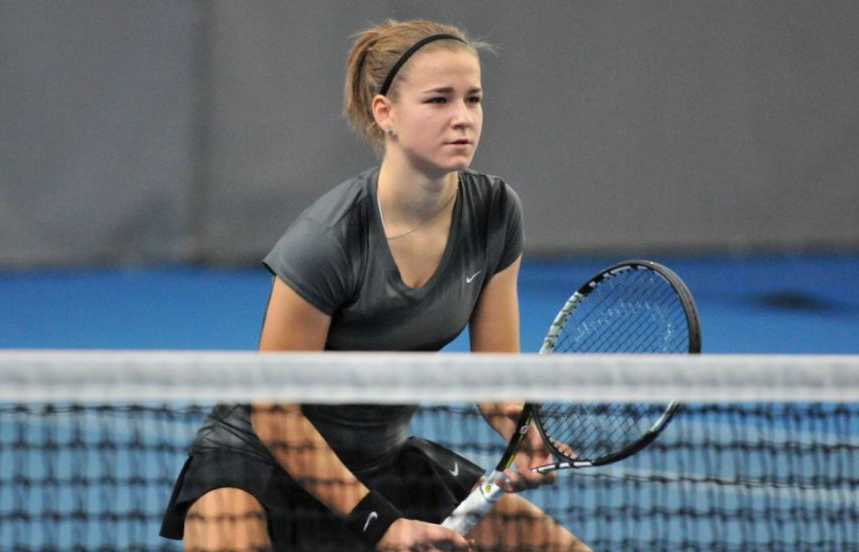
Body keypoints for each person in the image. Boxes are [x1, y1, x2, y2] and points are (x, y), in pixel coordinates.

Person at [160, 19, 592, 552]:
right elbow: (275, 412)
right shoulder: (329, 239)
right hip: (259, 465)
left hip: (382, 462)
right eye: (439, 100)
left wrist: (521, 432)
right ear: (384, 112)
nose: (463, 119)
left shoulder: (496, 213)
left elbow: (495, 379)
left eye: (473, 99)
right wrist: (380, 523)